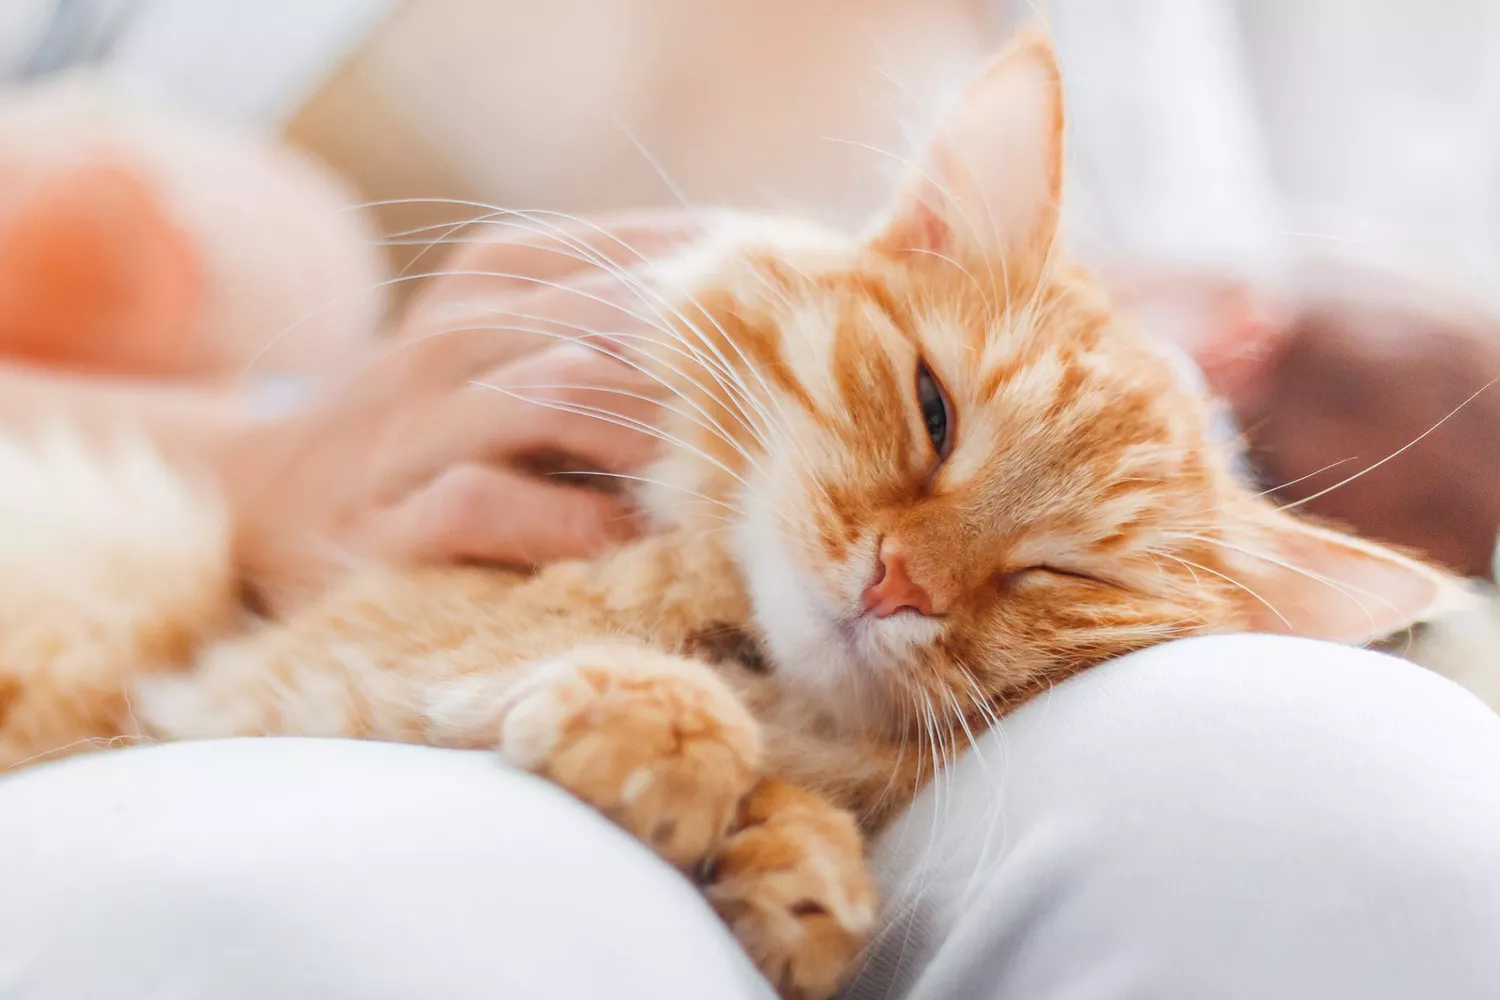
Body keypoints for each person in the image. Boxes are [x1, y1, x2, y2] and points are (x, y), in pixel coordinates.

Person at [2, 212, 1500, 1000]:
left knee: (1371, 807)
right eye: (933, 410)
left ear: (1237, 335)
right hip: (222, 597)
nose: (911, 565)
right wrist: (265, 451)